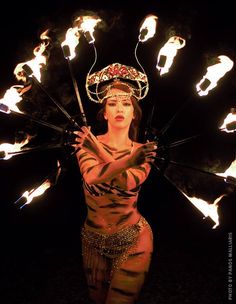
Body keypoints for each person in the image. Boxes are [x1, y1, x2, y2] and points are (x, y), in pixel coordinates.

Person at [74, 63, 157, 304]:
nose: (119, 108)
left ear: (134, 112)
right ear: (104, 113)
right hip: (92, 239)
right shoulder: (86, 143)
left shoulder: (143, 151)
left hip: (133, 239)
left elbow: (130, 182)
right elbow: (91, 176)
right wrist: (101, 149)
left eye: (126, 103)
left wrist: (100, 150)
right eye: (112, 103)